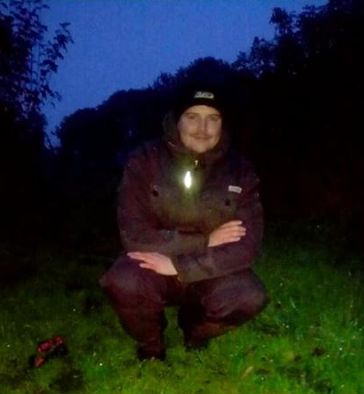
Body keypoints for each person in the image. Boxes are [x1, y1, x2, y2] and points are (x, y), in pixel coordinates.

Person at [100, 86, 268, 361]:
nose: (202, 128)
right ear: (176, 120)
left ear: (222, 124)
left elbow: (247, 246)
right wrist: (205, 241)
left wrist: (181, 267)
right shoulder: (144, 160)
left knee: (249, 296)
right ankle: (152, 345)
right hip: (155, 265)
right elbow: (134, 234)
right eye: (192, 117)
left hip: (210, 270)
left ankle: (195, 331)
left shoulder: (241, 170)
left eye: (213, 118)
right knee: (123, 280)